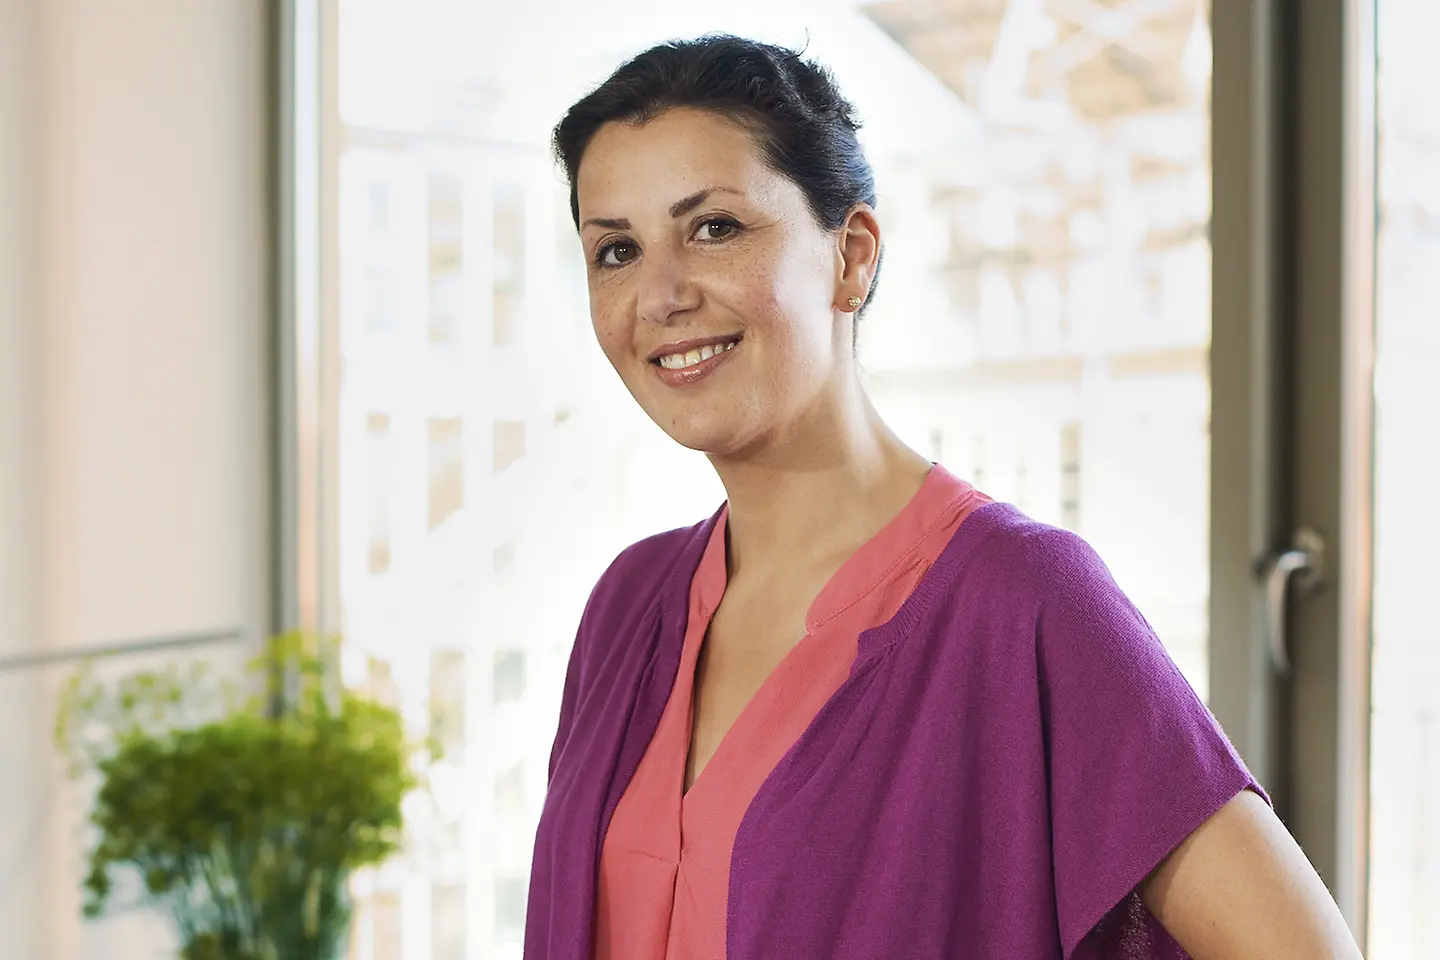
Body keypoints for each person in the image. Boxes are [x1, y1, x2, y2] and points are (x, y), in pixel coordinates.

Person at [524, 33, 1364, 960]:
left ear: (851, 256)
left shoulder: (1022, 602)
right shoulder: (629, 608)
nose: (660, 294)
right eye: (615, 251)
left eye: (715, 228)